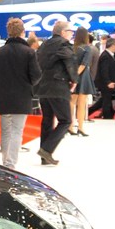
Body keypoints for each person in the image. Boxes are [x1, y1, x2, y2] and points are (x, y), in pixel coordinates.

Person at [0, 17, 41, 169]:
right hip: (22, 97)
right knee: (16, 131)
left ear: (8, 32)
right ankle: (10, 164)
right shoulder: (29, 52)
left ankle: (5, 163)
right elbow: (36, 76)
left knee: (6, 131)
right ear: (23, 32)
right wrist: (28, 83)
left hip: (3, 97)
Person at [33, 20, 78, 165]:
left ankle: (44, 157)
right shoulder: (64, 45)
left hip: (42, 87)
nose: (71, 34)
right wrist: (74, 80)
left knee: (47, 120)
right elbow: (70, 63)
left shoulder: (44, 45)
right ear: (63, 32)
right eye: (70, 32)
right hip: (58, 87)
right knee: (66, 121)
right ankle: (46, 150)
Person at [70, 27, 94, 136]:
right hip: (83, 77)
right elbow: (84, 64)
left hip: (73, 75)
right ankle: (80, 127)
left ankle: (70, 126)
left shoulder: (72, 48)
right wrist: (77, 75)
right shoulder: (87, 48)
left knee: (72, 102)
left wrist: (73, 76)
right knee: (82, 103)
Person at [91, 38, 115, 120]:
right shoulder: (105, 56)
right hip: (106, 83)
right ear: (113, 45)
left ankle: (108, 115)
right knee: (106, 101)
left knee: (105, 100)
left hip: (110, 82)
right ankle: (107, 117)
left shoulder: (111, 55)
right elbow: (104, 71)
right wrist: (108, 82)